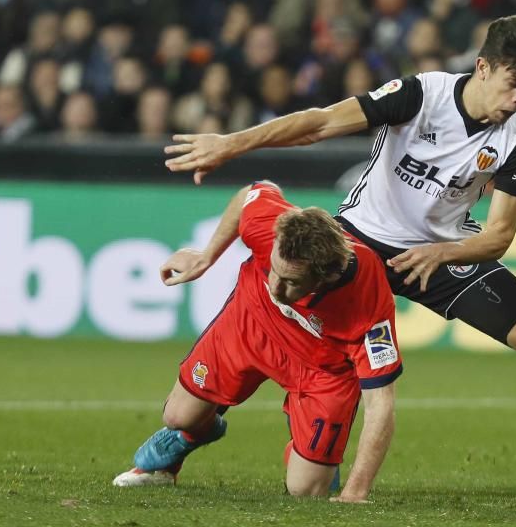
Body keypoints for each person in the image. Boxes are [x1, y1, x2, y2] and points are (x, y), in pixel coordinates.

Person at [163, 14, 516, 503]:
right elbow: (320, 122)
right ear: (483, 68)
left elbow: (499, 235)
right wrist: (231, 143)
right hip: (359, 241)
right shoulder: (420, 94)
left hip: (446, 251)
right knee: (278, 314)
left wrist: (443, 251)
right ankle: (196, 424)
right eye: (514, 83)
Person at [113, 181, 402, 503]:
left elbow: (380, 403)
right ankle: (188, 437)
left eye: (292, 282)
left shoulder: (367, 298)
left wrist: (356, 491)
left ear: (327, 276)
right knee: (178, 416)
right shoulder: (273, 225)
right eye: (274, 271)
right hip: (249, 324)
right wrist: (207, 257)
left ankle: (308, 447)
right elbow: (251, 192)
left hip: (322, 368)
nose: (275, 286)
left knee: (306, 490)